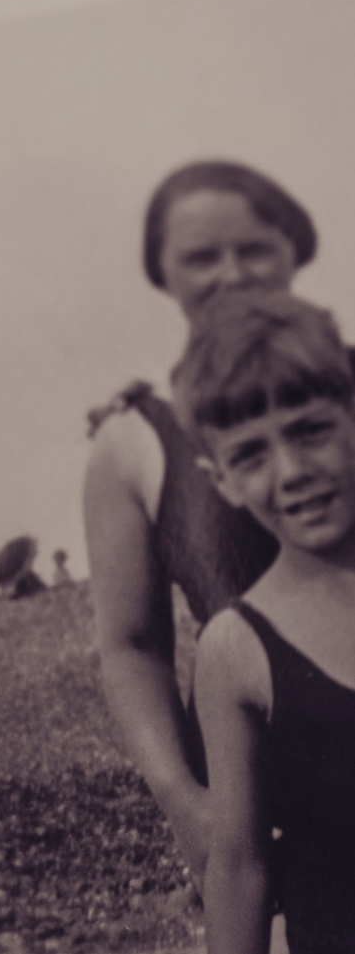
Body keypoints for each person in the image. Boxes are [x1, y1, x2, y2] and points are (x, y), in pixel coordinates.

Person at [83, 161, 318, 891]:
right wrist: (184, 801)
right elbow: (131, 645)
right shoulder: (133, 437)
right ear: (163, 273)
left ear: (294, 249)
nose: (232, 274)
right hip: (264, 802)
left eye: (254, 249)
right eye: (201, 258)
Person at [171, 290, 355, 954]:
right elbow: (239, 863)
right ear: (220, 478)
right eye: (250, 454)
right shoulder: (235, 649)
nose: (292, 471)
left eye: (310, 431)